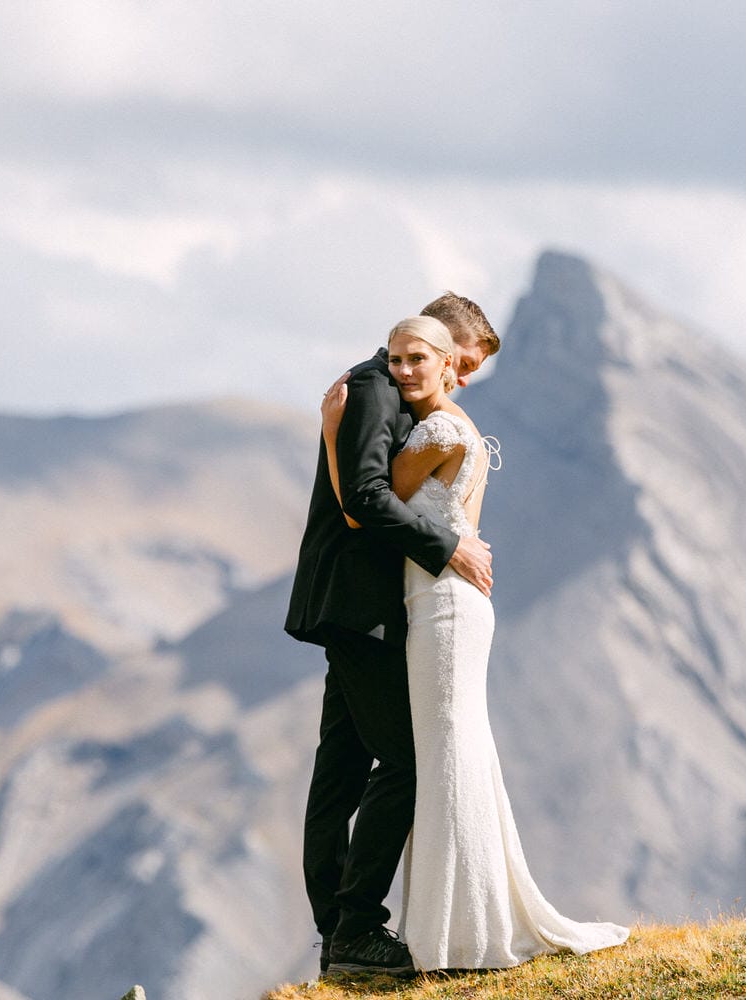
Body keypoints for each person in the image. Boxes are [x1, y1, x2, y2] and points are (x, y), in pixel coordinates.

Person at [320, 315, 629, 972]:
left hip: (440, 608)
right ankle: (464, 926)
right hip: (445, 600)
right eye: (397, 360)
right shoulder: (461, 429)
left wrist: (331, 429)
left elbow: (361, 502)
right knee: (450, 756)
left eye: (420, 361)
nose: (406, 372)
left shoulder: (435, 430)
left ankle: (456, 931)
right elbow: (456, 522)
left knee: (439, 759)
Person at [285, 293, 498, 977]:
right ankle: (355, 928)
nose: (457, 380)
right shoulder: (377, 388)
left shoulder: (395, 393)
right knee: (404, 761)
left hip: (360, 604)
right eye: (460, 363)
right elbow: (365, 499)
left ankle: (341, 938)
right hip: (359, 603)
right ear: (444, 343)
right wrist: (448, 547)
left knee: (342, 769)